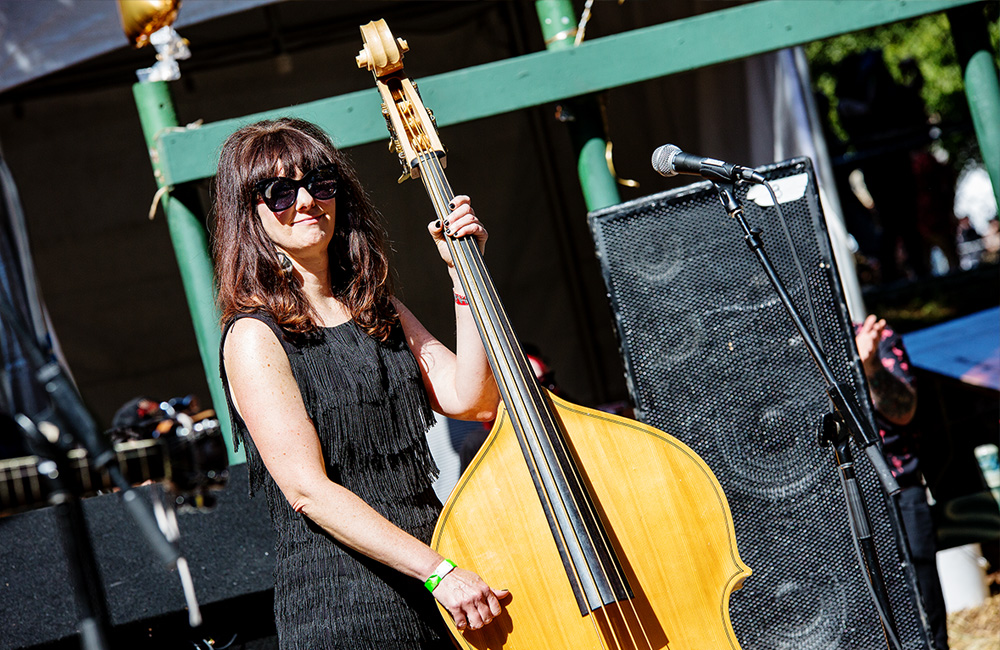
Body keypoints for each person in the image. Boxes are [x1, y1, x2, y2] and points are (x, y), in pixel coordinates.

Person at [211, 117, 506, 649]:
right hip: (346, 603)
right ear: (249, 215)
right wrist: (439, 572)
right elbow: (307, 490)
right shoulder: (254, 336)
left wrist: (466, 276)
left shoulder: (376, 307)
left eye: (319, 184)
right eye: (279, 192)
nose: (305, 201)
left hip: (433, 577)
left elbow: (474, 397)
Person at [854, 315, 949, 649]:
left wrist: (870, 365)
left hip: (899, 489)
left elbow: (904, 411)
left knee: (922, 602)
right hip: (844, 497)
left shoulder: (876, 335)